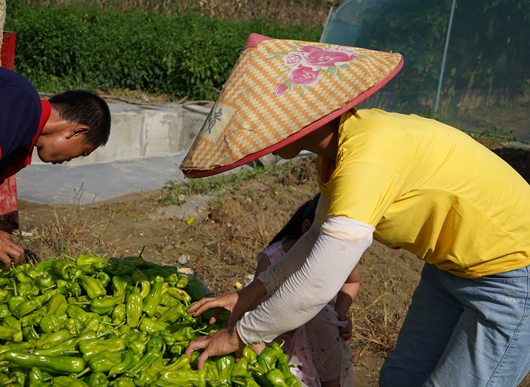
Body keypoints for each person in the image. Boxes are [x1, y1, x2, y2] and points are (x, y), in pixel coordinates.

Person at [180, 33, 530, 387]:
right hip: (450, 268)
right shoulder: (344, 148)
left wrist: (239, 335)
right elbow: (317, 237)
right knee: (401, 378)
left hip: (512, 274)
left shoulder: (367, 158)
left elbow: (318, 284)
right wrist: (250, 293)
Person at [0, 60, 111, 303]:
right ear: (76, 131)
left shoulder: (12, 151)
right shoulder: (21, 99)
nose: (70, 160)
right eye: (82, 152)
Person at [251, 193, 356, 387]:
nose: (338, 250)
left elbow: (352, 281)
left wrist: (340, 311)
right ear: (308, 228)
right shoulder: (273, 259)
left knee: (330, 380)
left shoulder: (340, 252)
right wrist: (263, 360)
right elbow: (254, 310)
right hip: (281, 339)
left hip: (322, 338)